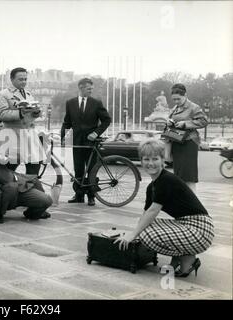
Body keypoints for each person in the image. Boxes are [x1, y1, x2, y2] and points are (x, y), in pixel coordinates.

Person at [114, 139, 214, 277]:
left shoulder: (166, 179)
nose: (150, 163)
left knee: (146, 235)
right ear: (141, 162)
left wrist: (132, 235)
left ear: (163, 160)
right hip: (186, 224)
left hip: (200, 229)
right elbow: (146, 215)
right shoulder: (152, 186)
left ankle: (187, 258)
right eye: (146, 159)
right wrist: (132, 233)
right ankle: (181, 256)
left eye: (155, 158)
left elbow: (153, 211)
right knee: (145, 226)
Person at [60, 78, 111, 206]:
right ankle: (79, 195)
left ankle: (91, 196)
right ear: (81, 88)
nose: (91, 91)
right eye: (89, 89)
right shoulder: (70, 103)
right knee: (78, 170)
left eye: (92, 89)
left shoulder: (96, 103)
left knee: (91, 169)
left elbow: (106, 120)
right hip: (77, 142)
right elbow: (67, 122)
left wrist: (96, 133)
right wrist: (63, 138)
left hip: (91, 142)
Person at [0, 152, 52, 223]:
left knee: (47, 200)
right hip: (6, 197)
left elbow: (18, 157)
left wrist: (3, 156)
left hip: (21, 187)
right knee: (11, 187)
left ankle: (32, 213)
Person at [0, 67, 45, 175]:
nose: (23, 82)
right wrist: (20, 113)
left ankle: (30, 189)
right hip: (13, 135)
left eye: (25, 79)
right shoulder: (4, 94)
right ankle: (7, 189)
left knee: (34, 167)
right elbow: (1, 114)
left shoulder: (28, 94)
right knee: (9, 169)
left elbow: (31, 114)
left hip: (29, 135)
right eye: (20, 79)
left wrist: (36, 113)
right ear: (12, 79)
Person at [166, 83, 208, 193]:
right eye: (174, 99)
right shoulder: (175, 108)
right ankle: (183, 200)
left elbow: (204, 121)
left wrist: (185, 124)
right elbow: (171, 121)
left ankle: (192, 202)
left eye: (178, 99)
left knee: (189, 175)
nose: (176, 102)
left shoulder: (194, 107)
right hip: (177, 141)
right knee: (179, 174)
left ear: (185, 95)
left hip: (189, 143)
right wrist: (169, 122)